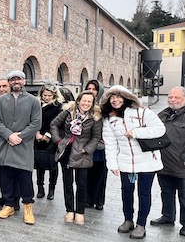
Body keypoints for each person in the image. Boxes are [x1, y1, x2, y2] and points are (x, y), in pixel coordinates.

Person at [101, 85, 165, 239]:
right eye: (112, 97)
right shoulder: (109, 119)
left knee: (144, 193)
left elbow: (160, 129)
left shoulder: (141, 111)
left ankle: (141, 224)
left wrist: (135, 132)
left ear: (126, 97)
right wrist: (112, 164)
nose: (115, 100)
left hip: (147, 161)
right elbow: (110, 144)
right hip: (126, 162)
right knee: (127, 192)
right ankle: (128, 220)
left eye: (118, 96)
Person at [151, 86, 185, 237]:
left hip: (184, 166)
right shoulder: (164, 114)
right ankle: (168, 217)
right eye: (170, 97)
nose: (172, 100)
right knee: (166, 192)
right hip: (164, 164)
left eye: (177, 98)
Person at [0, 70, 41, 225]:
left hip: (24, 145)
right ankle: (9, 205)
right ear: (9, 83)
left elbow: (36, 123)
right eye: (12, 79)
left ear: (24, 81)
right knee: (6, 177)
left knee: (24, 178)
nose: (16, 82)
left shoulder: (33, 101)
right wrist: (9, 135)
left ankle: (27, 207)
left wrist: (19, 136)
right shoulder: (0, 101)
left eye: (18, 79)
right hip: (5, 145)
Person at [50, 90, 103, 225]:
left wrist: (87, 149)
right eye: (83, 100)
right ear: (78, 100)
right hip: (66, 150)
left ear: (92, 104)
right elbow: (54, 124)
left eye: (89, 101)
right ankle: (69, 210)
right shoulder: (68, 112)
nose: (86, 103)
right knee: (68, 183)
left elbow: (96, 137)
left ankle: (80, 211)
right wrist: (58, 141)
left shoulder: (95, 117)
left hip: (83, 153)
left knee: (82, 184)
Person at [34, 84, 64, 201]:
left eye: (49, 95)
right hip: (37, 137)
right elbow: (34, 119)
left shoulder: (58, 107)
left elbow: (57, 123)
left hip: (52, 139)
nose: (46, 97)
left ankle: (52, 189)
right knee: (39, 163)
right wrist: (36, 133)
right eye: (45, 95)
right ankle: (40, 187)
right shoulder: (38, 105)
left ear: (54, 95)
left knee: (52, 165)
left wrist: (48, 135)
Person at [84, 79, 107, 210]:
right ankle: (88, 199)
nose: (91, 91)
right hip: (87, 145)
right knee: (88, 174)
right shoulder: (84, 104)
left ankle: (99, 200)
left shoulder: (104, 106)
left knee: (100, 175)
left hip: (101, 148)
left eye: (94, 89)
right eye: (89, 88)